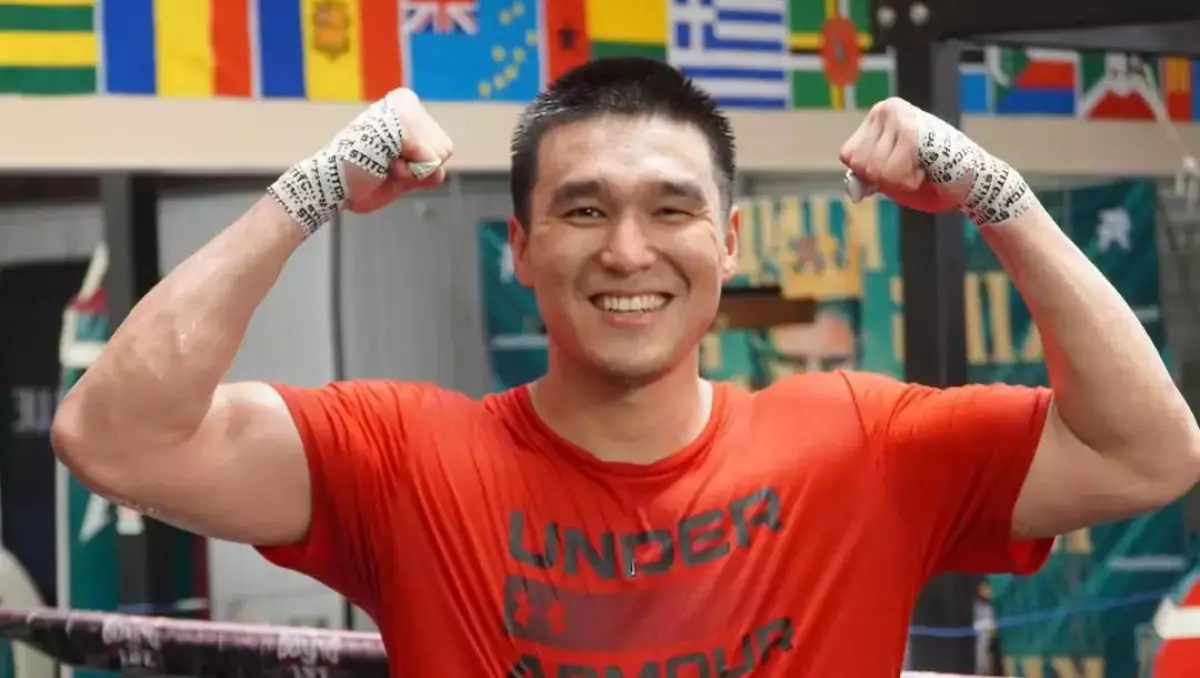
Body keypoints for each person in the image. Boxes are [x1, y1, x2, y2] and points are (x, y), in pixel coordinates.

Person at [50, 57, 1200, 677]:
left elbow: (1148, 453)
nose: (629, 251)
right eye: (584, 209)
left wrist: (998, 195)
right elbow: (114, 436)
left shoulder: (859, 444)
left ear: (729, 243)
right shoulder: (403, 458)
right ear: (521, 247)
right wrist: (307, 192)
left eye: (672, 209)